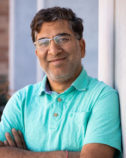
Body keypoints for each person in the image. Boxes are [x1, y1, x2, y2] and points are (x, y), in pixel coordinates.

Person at [0, 6, 122, 158]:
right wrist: (68, 155)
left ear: (81, 47)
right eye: (44, 42)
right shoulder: (20, 101)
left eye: (63, 39)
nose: (54, 50)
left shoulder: (103, 97)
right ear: (37, 53)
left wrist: (22, 154)